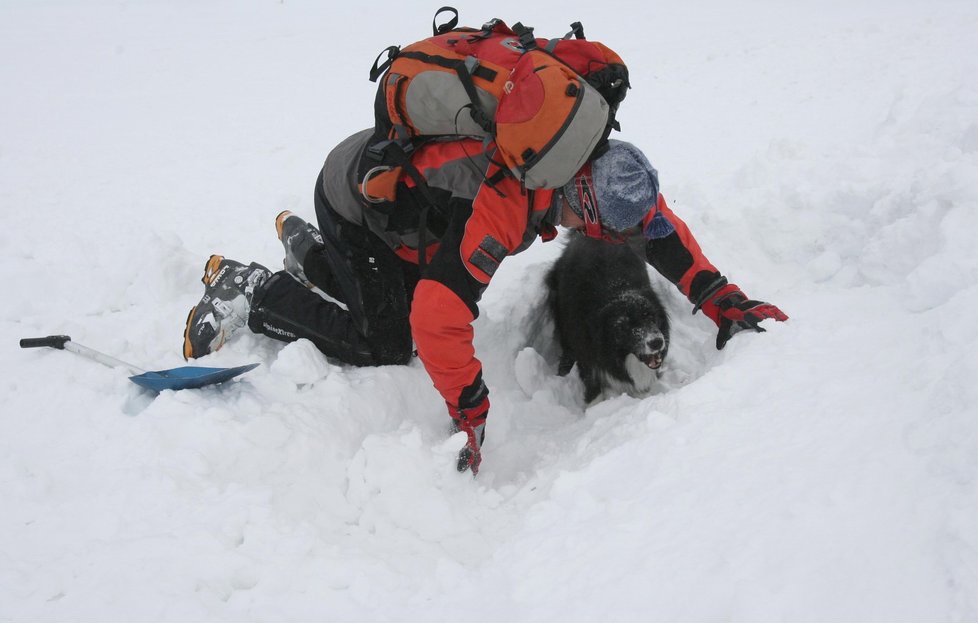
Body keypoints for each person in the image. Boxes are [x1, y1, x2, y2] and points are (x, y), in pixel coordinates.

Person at [182, 131, 788, 474]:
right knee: (389, 340)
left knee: (401, 288)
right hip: (361, 207)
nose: (602, 239)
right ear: (581, 198)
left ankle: (310, 248)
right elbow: (440, 315)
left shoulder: (587, 156)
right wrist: (470, 411)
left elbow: (657, 228)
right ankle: (253, 291)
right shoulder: (504, 203)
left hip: (394, 200)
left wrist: (723, 301)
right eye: (600, 227)